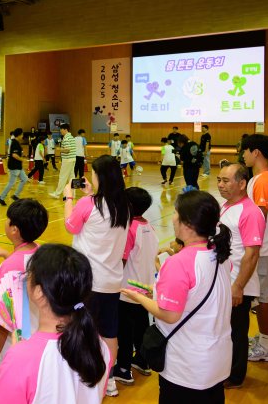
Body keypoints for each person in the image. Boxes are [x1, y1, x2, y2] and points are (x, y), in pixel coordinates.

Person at [122, 190, 232, 402]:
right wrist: (156, 292)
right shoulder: (219, 254)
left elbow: (169, 314)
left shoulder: (179, 262)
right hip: (217, 359)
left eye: (175, 212)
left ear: (187, 222)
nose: (172, 217)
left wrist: (139, 297)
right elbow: (197, 294)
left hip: (187, 365)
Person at [0, 244, 110, 403]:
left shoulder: (21, 358)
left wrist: (19, 354)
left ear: (39, 292)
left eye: (30, 274)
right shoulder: (98, 345)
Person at [64, 155, 130, 397]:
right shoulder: (124, 205)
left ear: (99, 176)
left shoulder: (88, 204)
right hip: (112, 280)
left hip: (88, 281)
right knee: (109, 332)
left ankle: (83, 376)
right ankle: (108, 378)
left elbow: (70, 226)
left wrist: (69, 197)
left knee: (83, 330)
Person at [0, 199, 48, 380]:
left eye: (8, 219)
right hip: (36, 336)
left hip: (13, 344)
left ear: (14, 229)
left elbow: (3, 320)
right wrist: (7, 254)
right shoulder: (42, 251)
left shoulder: (9, 268)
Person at [216, 163, 264, 389]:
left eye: (226, 181)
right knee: (224, 330)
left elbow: (252, 254)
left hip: (238, 284)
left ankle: (235, 376)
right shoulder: (226, 206)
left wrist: (238, 286)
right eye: (219, 180)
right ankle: (223, 368)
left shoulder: (250, 212)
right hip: (224, 281)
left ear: (242, 183)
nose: (220, 185)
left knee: (236, 331)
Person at [241, 134, 268, 363]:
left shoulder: (264, 179)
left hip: (262, 250)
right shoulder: (261, 177)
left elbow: (259, 218)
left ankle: (266, 346)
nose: (243, 156)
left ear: (255, 152)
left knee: (263, 298)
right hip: (263, 248)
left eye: (244, 151)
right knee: (266, 295)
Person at [113, 187, 157, 386]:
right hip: (144, 289)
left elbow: (121, 260)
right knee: (141, 326)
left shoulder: (129, 228)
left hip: (127, 290)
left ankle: (123, 368)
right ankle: (142, 360)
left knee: (124, 331)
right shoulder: (149, 226)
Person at [0, 127, 28, 206]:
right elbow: (14, 155)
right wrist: (22, 159)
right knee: (11, 183)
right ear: (19, 135)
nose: (23, 135)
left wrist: (22, 155)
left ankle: (15, 195)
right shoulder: (14, 142)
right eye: (22, 134)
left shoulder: (17, 142)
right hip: (14, 166)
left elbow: (17, 153)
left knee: (24, 179)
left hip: (18, 166)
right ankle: (1, 197)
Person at [49, 124, 76, 200]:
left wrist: (58, 149)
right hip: (72, 159)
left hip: (67, 160)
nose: (60, 131)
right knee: (72, 178)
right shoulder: (71, 137)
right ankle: (73, 194)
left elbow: (67, 150)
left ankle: (57, 193)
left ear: (65, 129)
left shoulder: (67, 138)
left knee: (62, 177)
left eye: (61, 129)